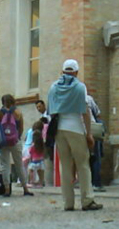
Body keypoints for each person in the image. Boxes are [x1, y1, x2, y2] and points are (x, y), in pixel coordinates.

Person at [48, 59, 103, 211]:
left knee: (65, 166)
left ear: (63, 71)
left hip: (60, 129)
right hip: (76, 128)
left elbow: (51, 111)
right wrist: (89, 133)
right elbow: (85, 111)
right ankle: (87, 200)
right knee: (83, 165)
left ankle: (68, 202)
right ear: (76, 72)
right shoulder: (80, 87)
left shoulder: (53, 87)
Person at [0, 94, 33, 197]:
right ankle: (25, 188)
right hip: (15, 141)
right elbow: (21, 127)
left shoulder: (0, 112)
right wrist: (17, 137)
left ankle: (7, 189)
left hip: (4, 141)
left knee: (5, 165)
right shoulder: (17, 112)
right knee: (19, 165)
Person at [86, 93, 105, 192]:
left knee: (83, 159)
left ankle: (86, 184)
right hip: (92, 129)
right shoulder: (88, 98)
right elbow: (97, 113)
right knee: (96, 157)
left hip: (78, 130)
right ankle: (96, 183)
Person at [27, 120, 46, 188]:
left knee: (31, 171)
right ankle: (41, 182)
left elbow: (30, 153)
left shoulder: (33, 146)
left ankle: (31, 181)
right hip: (41, 161)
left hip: (34, 161)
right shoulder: (42, 145)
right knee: (40, 172)